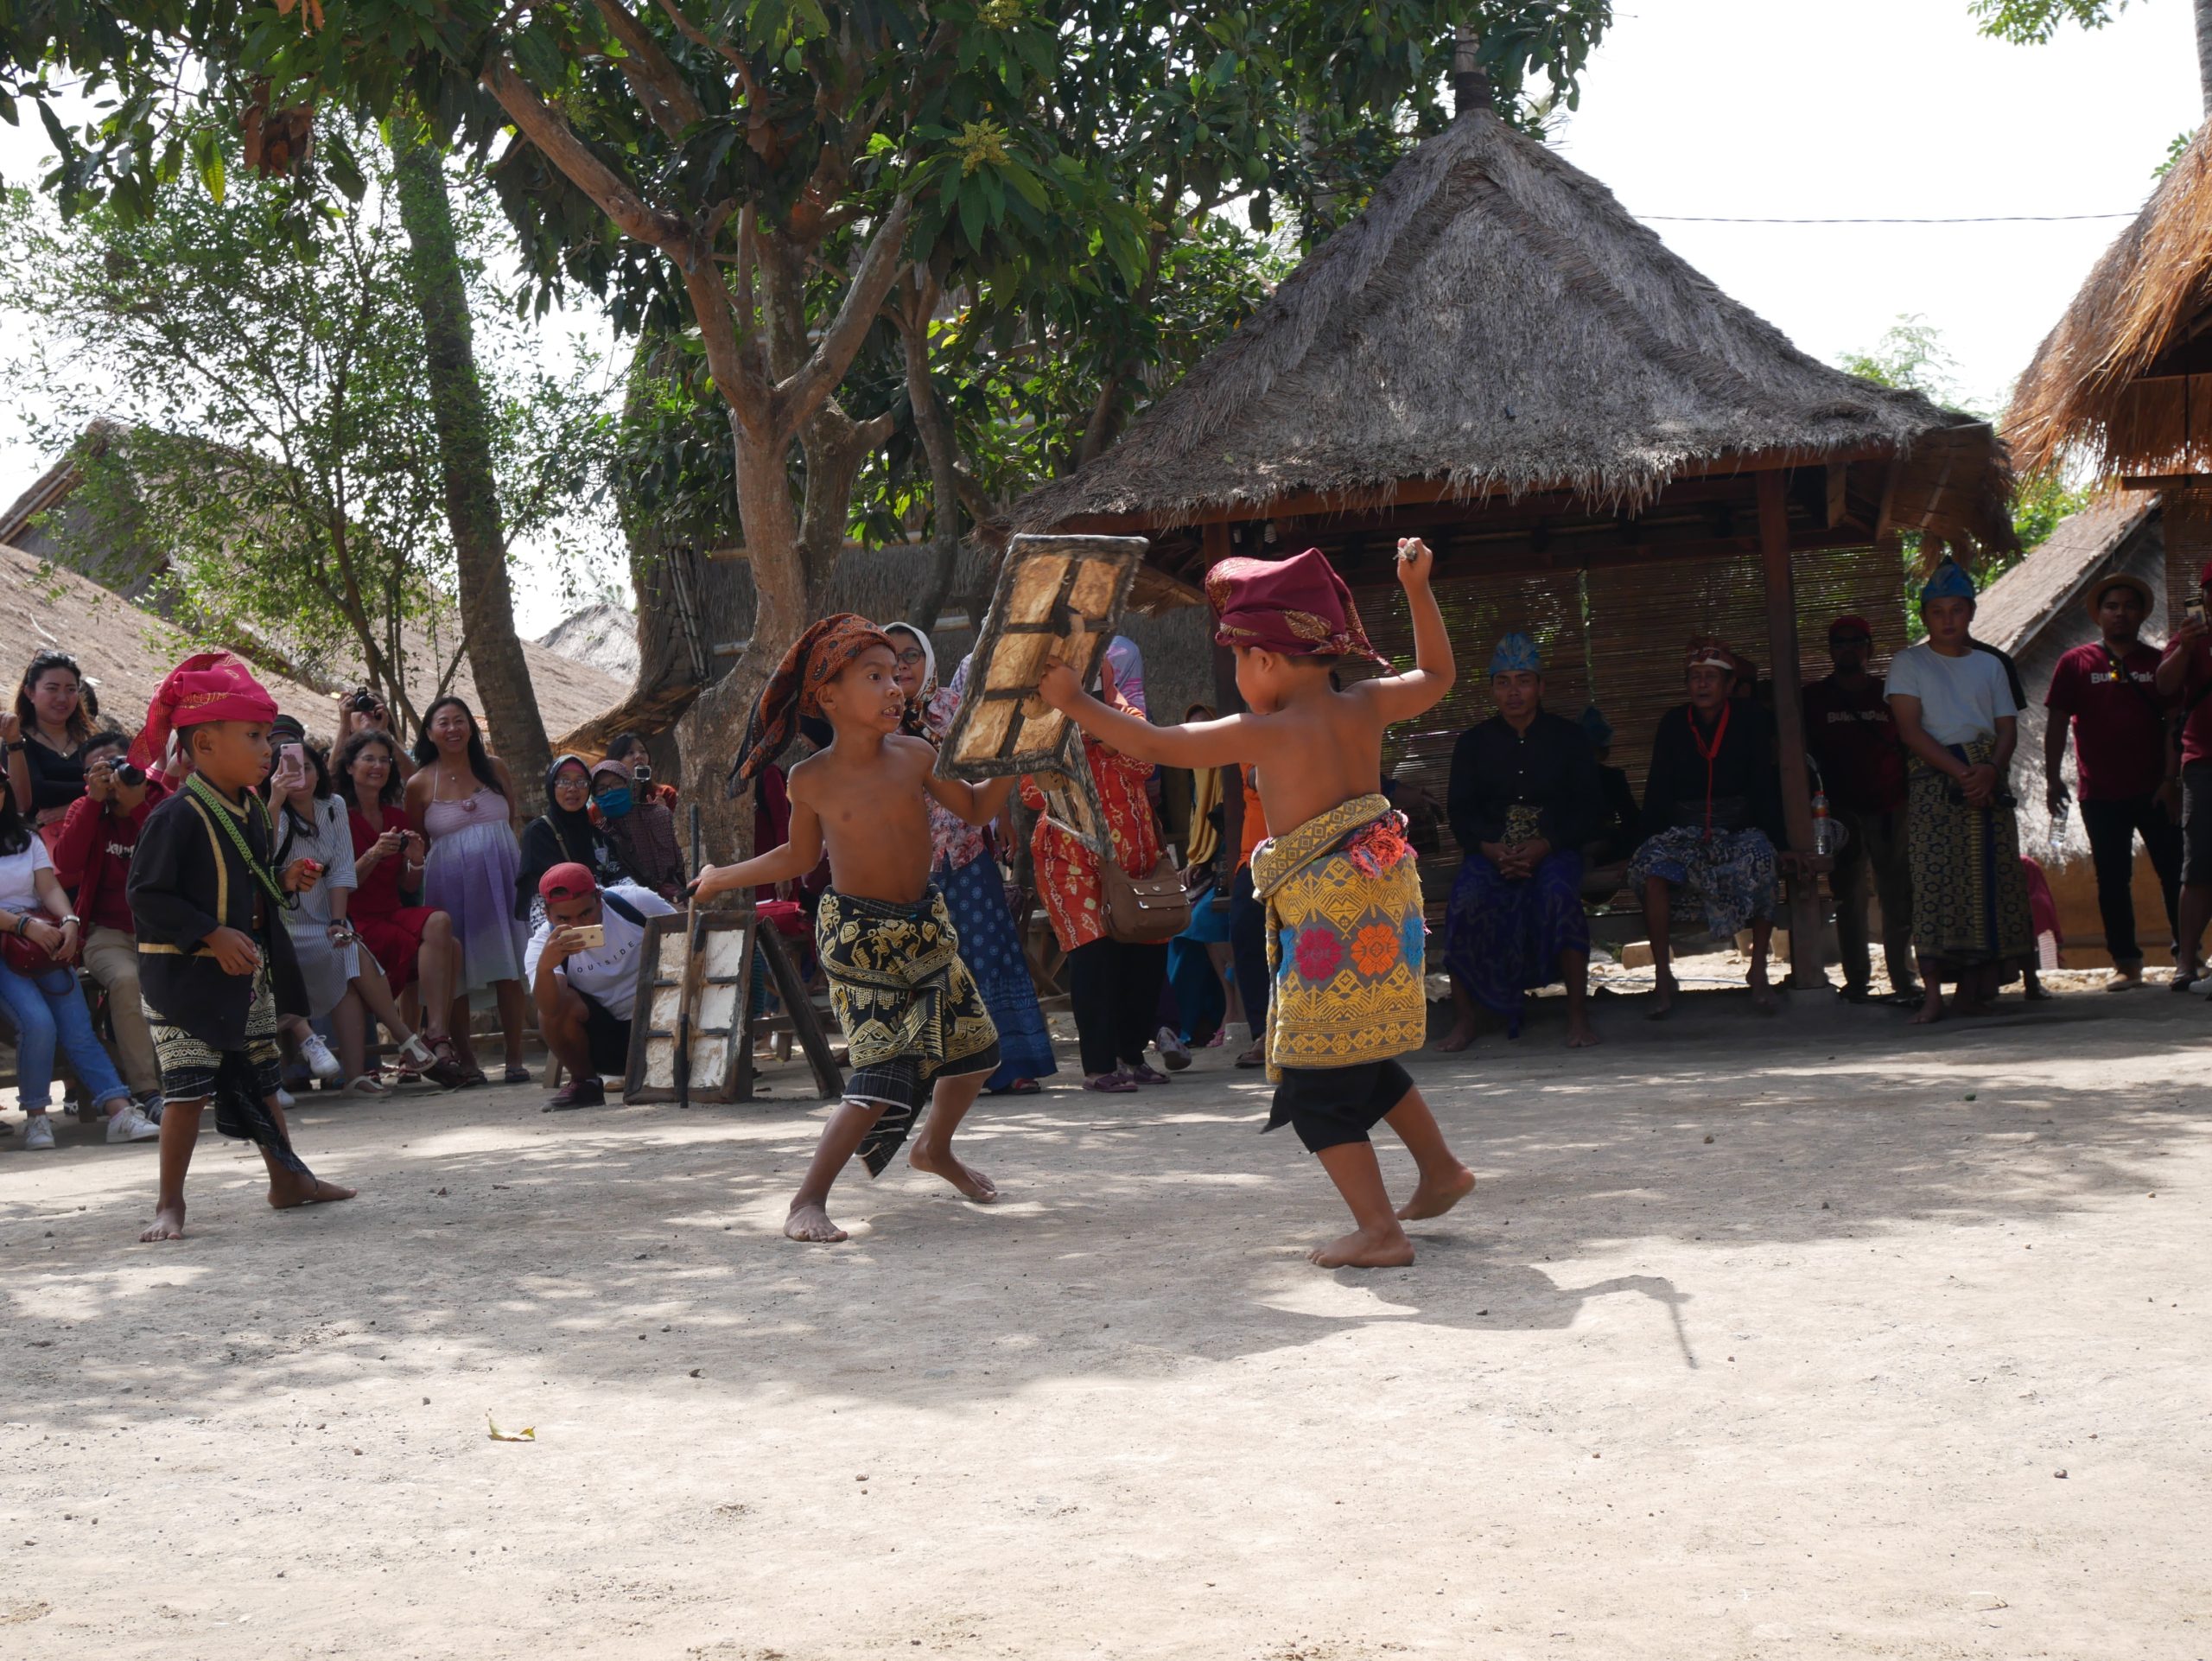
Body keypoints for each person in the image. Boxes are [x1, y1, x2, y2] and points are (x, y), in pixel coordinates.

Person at [1039, 541, 1473, 1270]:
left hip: (1329, 918)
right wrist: (1418, 589)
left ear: (1264, 662)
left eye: (1239, 661)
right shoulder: (1366, 703)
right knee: (1355, 1051)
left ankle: (1379, 1229)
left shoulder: (1265, 731)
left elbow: (1158, 743)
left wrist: (1076, 703)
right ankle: (1439, 1170)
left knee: (1314, 1078)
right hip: (1383, 906)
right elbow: (1438, 674)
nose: (1237, 678)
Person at [693, 615, 1014, 1242]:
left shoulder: (917, 755)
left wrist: (1013, 761)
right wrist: (720, 874)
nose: (895, 687)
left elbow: (975, 808)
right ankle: (806, 1201)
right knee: (878, 1080)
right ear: (828, 697)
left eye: (897, 675)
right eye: (875, 676)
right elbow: (797, 858)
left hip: (925, 926)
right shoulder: (809, 778)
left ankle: (935, 1150)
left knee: (978, 1053)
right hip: (859, 938)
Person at [126, 652, 354, 1240]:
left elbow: (251, 877)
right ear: (204, 746)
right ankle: (169, 1204)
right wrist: (210, 932)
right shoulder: (174, 816)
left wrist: (284, 880)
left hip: (245, 971)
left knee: (262, 1077)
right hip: (183, 980)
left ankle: (288, 1180)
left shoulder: (251, 806)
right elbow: (147, 896)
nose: (268, 750)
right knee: (186, 1091)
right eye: (254, 737)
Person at [268, 724, 460, 1094]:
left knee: (347, 953)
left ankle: (356, 1075)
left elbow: (340, 870)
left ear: (319, 771)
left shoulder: (333, 807)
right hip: (286, 924)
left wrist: (338, 921)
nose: (300, 777)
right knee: (352, 953)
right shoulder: (268, 811)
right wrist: (275, 801)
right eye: (288, 770)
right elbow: (267, 858)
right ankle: (407, 1038)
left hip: (326, 918)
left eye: (307, 768)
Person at [1887, 560, 2035, 1022]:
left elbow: (2007, 729)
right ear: (1925, 616)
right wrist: (1961, 773)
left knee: (1989, 884)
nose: (1948, 619)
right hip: (1937, 784)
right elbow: (1910, 731)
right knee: (1935, 884)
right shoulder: (1909, 663)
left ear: (1970, 613)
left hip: (1988, 785)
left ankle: (1974, 990)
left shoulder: (1991, 665)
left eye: (1956, 609)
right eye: (1937, 611)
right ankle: (1933, 994)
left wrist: (1989, 770)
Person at [1440, 633, 1600, 1049]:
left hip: (1553, 850)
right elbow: (1460, 812)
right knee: (1464, 900)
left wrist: (1546, 844)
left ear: (1541, 686)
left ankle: (1578, 1016)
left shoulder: (1570, 740)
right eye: (1504, 681)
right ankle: (1465, 1019)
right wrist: (1490, 849)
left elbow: (1589, 809)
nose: (1514, 691)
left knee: (1559, 895)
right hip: (1490, 852)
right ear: (1493, 689)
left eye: (1523, 680)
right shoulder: (1472, 744)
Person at [1020, 658, 1168, 1093]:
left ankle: (1133, 1056)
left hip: (1135, 855)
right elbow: (1031, 793)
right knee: (1092, 954)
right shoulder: (1039, 725)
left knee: (1145, 954)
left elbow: (1145, 766)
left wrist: (1096, 727)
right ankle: (1099, 1067)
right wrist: (1084, 735)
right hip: (1069, 855)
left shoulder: (1127, 717)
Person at [1630, 640, 1796, 1018]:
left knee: (1762, 859)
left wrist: (1780, 840)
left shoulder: (1750, 719)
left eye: (1711, 677)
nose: (1702, 685)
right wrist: (1642, 841)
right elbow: (1658, 788)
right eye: (1695, 678)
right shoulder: (1674, 723)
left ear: (1729, 684)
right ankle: (1662, 977)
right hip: (1683, 832)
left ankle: (1758, 973)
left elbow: (1762, 786)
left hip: (1737, 829)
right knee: (1653, 870)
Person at [918, 652, 1055, 1096]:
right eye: (891, 659)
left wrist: (1004, 823)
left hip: (969, 853)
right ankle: (944, 1076)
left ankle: (1009, 1064)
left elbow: (989, 771)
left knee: (989, 955)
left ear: (928, 661)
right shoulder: (875, 727)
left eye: (910, 655)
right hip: (911, 866)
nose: (901, 666)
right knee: (930, 968)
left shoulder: (955, 708)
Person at [2045, 572, 2183, 992]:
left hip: (2155, 789)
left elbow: (2174, 725)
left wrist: (2170, 779)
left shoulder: (2159, 661)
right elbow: (2054, 725)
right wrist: (2052, 779)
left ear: (2142, 613)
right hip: (2099, 793)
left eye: (2128, 606)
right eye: (2112, 606)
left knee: (2174, 872)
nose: (2120, 613)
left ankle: (2187, 955)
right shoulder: (2075, 663)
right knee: (2112, 879)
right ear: (2099, 615)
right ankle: (2126, 963)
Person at [0, 773, 150, 1148]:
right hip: (10, 944)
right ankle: (36, 1116)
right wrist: (23, 925)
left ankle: (118, 1109)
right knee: (37, 1023)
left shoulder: (25, 837)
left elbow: (48, 886)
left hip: (40, 940)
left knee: (78, 1026)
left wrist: (69, 923)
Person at [406, 696, 531, 1084]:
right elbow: (418, 841)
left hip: (502, 880)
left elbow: (509, 818)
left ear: (471, 727)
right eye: (443, 722)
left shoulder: (494, 768)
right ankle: (468, 1061)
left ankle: (515, 1059)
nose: (453, 729)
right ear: (429, 732)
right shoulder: (419, 783)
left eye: (459, 720)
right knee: (453, 973)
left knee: (509, 967)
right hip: (449, 885)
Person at [335, 729, 468, 1082]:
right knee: (450, 948)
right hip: (356, 919)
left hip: (392, 910)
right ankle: (428, 1042)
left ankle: (436, 1032)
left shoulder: (396, 815)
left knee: (440, 922)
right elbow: (342, 887)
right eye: (369, 759)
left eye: (384, 759)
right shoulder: (337, 817)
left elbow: (407, 885)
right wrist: (373, 855)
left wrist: (417, 861)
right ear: (349, 767)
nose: (378, 766)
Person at [52, 728, 168, 1117]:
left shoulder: (161, 801)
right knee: (126, 981)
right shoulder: (84, 808)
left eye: (120, 764)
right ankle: (148, 1091)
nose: (113, 774)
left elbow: (176, 858)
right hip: (107, 934)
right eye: (100, 769)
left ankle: (208, 1079)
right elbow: (66, 865)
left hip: (166, 931)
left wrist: (137, 806)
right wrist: (93, 801)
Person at [1803, 614, 1919, 1002]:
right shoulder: (1814, 699)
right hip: (1840, 813)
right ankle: (1857, 982)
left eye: (1857, 641)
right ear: (1830, 650)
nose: (1848, 648)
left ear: (1870, 648)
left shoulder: (1890, 694)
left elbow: (1909, 743)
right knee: (1848, 895)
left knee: (1897, 894)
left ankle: (1903, 979)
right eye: (1840, 642)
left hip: (1891, 806)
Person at [525, 862, 676, 1109]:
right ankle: (586, 1084)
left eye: (585, 913)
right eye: (564, 918)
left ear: (599, 897)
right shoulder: (542, 943)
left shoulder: (636, 903)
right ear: (548, 914)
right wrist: (545, 967)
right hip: (605, 1042)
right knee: (558, 1005)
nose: (578, 925)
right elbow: (550, 1010)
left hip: (662, 1021)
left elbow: (689, 938)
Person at [2157, 560, 2212, 989]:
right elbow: (2164, 687)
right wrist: (2186, 649)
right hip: (2203, 762)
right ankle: (2187, 961)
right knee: (2197, 866)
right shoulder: (2189, 639)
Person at [5, 650, 98, 847]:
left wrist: (72, 807)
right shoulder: (14, 741)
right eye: (52, 688)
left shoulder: (94, 740)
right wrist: (95, 792)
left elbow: (121, 786)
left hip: (94, 843)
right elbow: (34, 792)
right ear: (30, 692)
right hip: (36, 849)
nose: (62, 698)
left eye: (71, 689)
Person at [593, 756, 683, 903]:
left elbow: (684, 862)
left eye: (616, 784)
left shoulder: (660, 816)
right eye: (602, 788)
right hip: (633, 906)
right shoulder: (599, 836)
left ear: (630, 785)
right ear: (594, 797)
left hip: (677, 899)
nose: (610, 792)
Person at [1578, 704, 1641, 868]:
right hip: (1569, 846)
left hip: (1604, 847)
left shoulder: (1612, 778)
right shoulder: (1561, 779)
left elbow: (1632, 820)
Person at [339, 685, 416, 782]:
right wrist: (344, 725)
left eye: (372, 707)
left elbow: (413, 778)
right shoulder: (334, 755)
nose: (366, 711)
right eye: (358, 708)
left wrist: (383, 733)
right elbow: (332, 776)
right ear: (349, 722)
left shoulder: (403, 756)